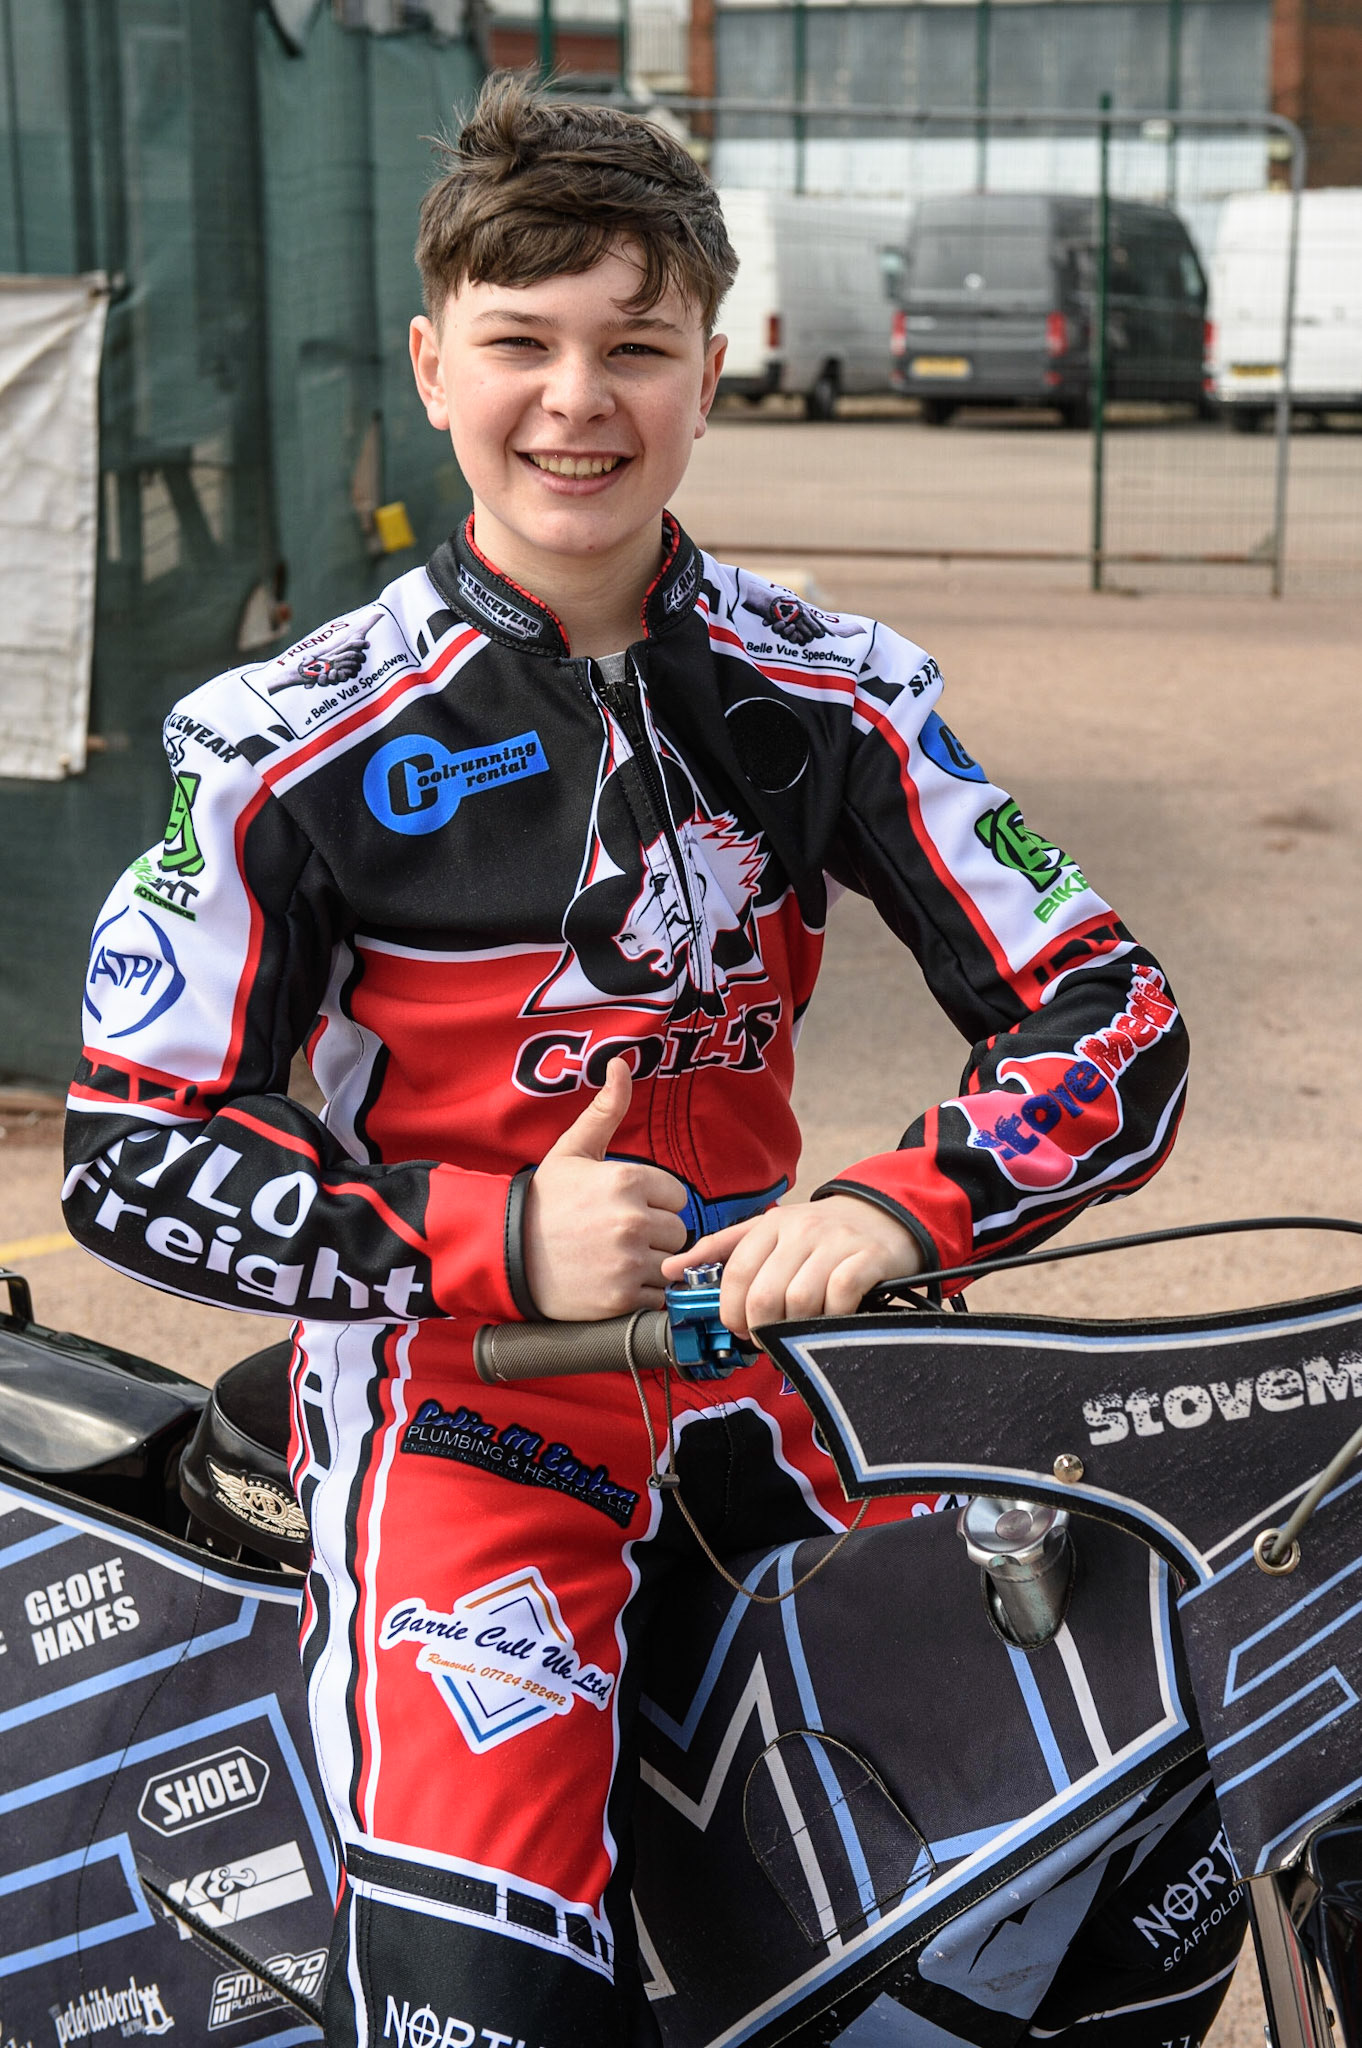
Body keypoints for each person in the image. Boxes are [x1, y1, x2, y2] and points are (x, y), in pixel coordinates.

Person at [64, 75, 1193, 2048]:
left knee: (1061, 1874)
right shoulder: (281, 743)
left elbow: (1118, 1018)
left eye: (633, 347)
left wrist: (895, 1199)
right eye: (521, 341)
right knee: (487, 2009)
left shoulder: (838, 687)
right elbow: (131, 1146)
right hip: (468, 1418)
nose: (575, 398)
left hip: (779, 1378)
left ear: (709, 372)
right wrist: (483, 1235)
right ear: (434, 365)